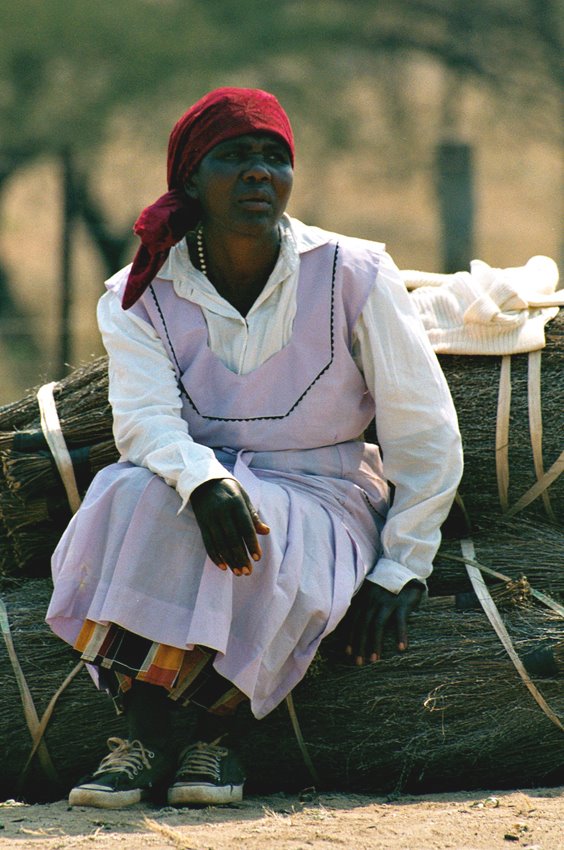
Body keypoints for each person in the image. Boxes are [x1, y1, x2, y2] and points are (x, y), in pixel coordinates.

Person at [46, 87, 463, 809]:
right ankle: (141, 736)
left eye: (275, 158)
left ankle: (218, 740)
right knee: (127, 492)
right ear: (190, 181)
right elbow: (144, 422)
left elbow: (424, 430)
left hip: (322, 494)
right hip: (194, 493)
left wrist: (403, 566)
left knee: (258, 524)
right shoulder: (136, 292)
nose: (259, 174)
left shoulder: (354, 273)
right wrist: (203, 483)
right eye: (234, 157)